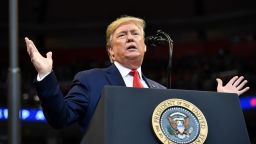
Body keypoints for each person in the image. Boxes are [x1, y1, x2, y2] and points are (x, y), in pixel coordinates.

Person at [24, 15, 249, 132]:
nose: (130, 38)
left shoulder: (160, 91)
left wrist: (222, 104)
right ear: (110, 51)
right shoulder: (90, 80)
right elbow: (60, 118)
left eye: (135, 34)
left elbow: (186, 130)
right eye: (122, 35)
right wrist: (46, 75)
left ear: (145, 47)